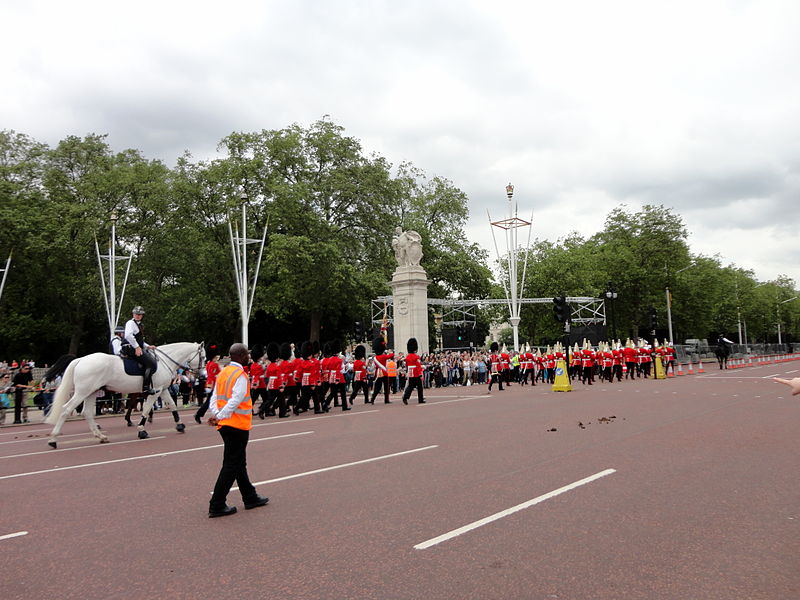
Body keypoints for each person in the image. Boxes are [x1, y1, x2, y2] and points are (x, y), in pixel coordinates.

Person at [206, 342, 269, 518]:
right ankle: (217, 503)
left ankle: (250, 496)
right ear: (241, 356)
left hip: (225, 425)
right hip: (237, 424)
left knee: (239, 462)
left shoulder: (223, 372)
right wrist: (221, 416)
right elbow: (235, 400)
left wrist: (217, 414)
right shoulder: (240, 374)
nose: (249, 357)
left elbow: (215, 397)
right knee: (232, 464)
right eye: (246, 355)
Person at [124, 306, 157, 394]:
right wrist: (137, 347)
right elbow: (128, 336)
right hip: (131, 348)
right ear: (133, 314)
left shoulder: (138, 324)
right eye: (136, 314)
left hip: (135, 347)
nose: (138, 316)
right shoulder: (130, 323)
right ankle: (146, 388)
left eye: (140, 314)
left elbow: (139, 340)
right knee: (150, 363)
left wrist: (148, 346)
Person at [401, 337, 425, 404]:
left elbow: (407, 365)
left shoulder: (407, 357)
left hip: (410, 373)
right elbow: (418, 366)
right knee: (420, 387)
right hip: (416, 373)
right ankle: (420, 399)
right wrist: (420, 374)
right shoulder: (416, 356)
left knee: (410, 386)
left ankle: (405, 397)